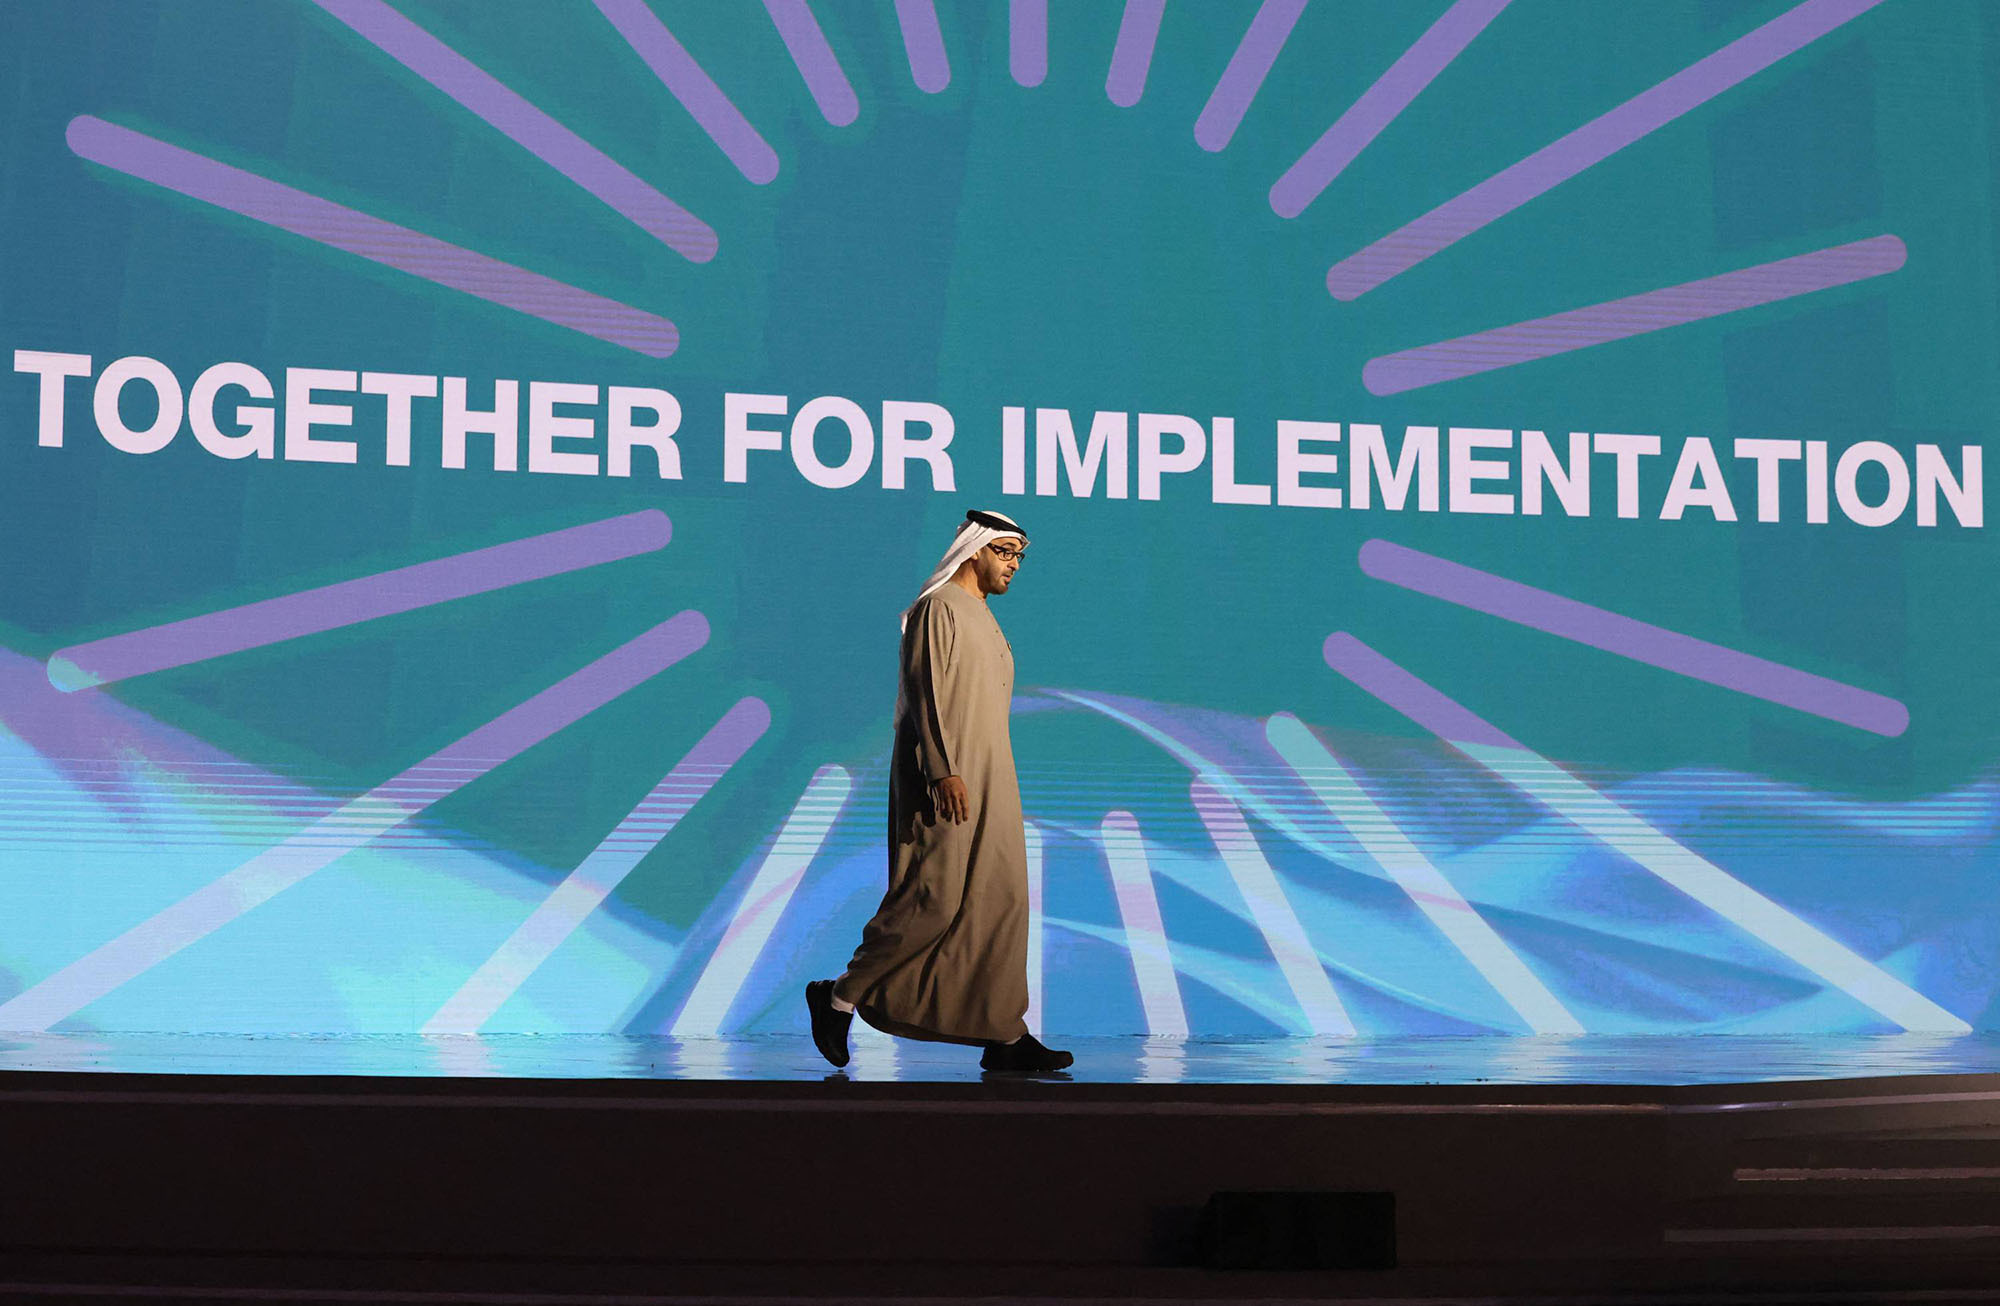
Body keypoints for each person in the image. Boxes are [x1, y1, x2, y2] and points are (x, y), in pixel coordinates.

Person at [806, 509, 1072, 1075]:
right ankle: (837, 998)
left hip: (992, 776)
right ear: (974, 549)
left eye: (1019, 556)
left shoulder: (982, 614)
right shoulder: (940, 606)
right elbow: (925, 691)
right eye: (1005, 551)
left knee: (999, 903)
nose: (1014, 564)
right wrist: (942, 768)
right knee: (933, 899)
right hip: (946, 776)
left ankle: (1004, 1034)